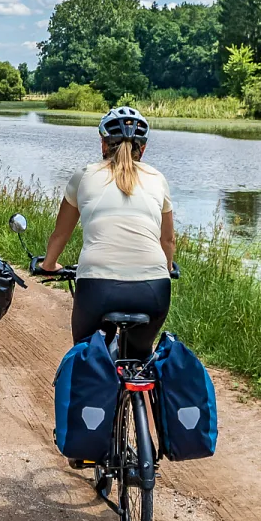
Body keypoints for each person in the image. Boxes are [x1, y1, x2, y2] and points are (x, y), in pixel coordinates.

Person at [38, 106, 175, 359]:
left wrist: (48, 265)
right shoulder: (158, 178)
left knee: (89, 358)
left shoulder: (84, 176)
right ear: (143, 148)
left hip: (97, 286)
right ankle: (141, 381)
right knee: (140, 358)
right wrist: (166, 268)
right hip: (154, 288)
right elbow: (167, 240)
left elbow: (60, 234)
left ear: (103, 144)